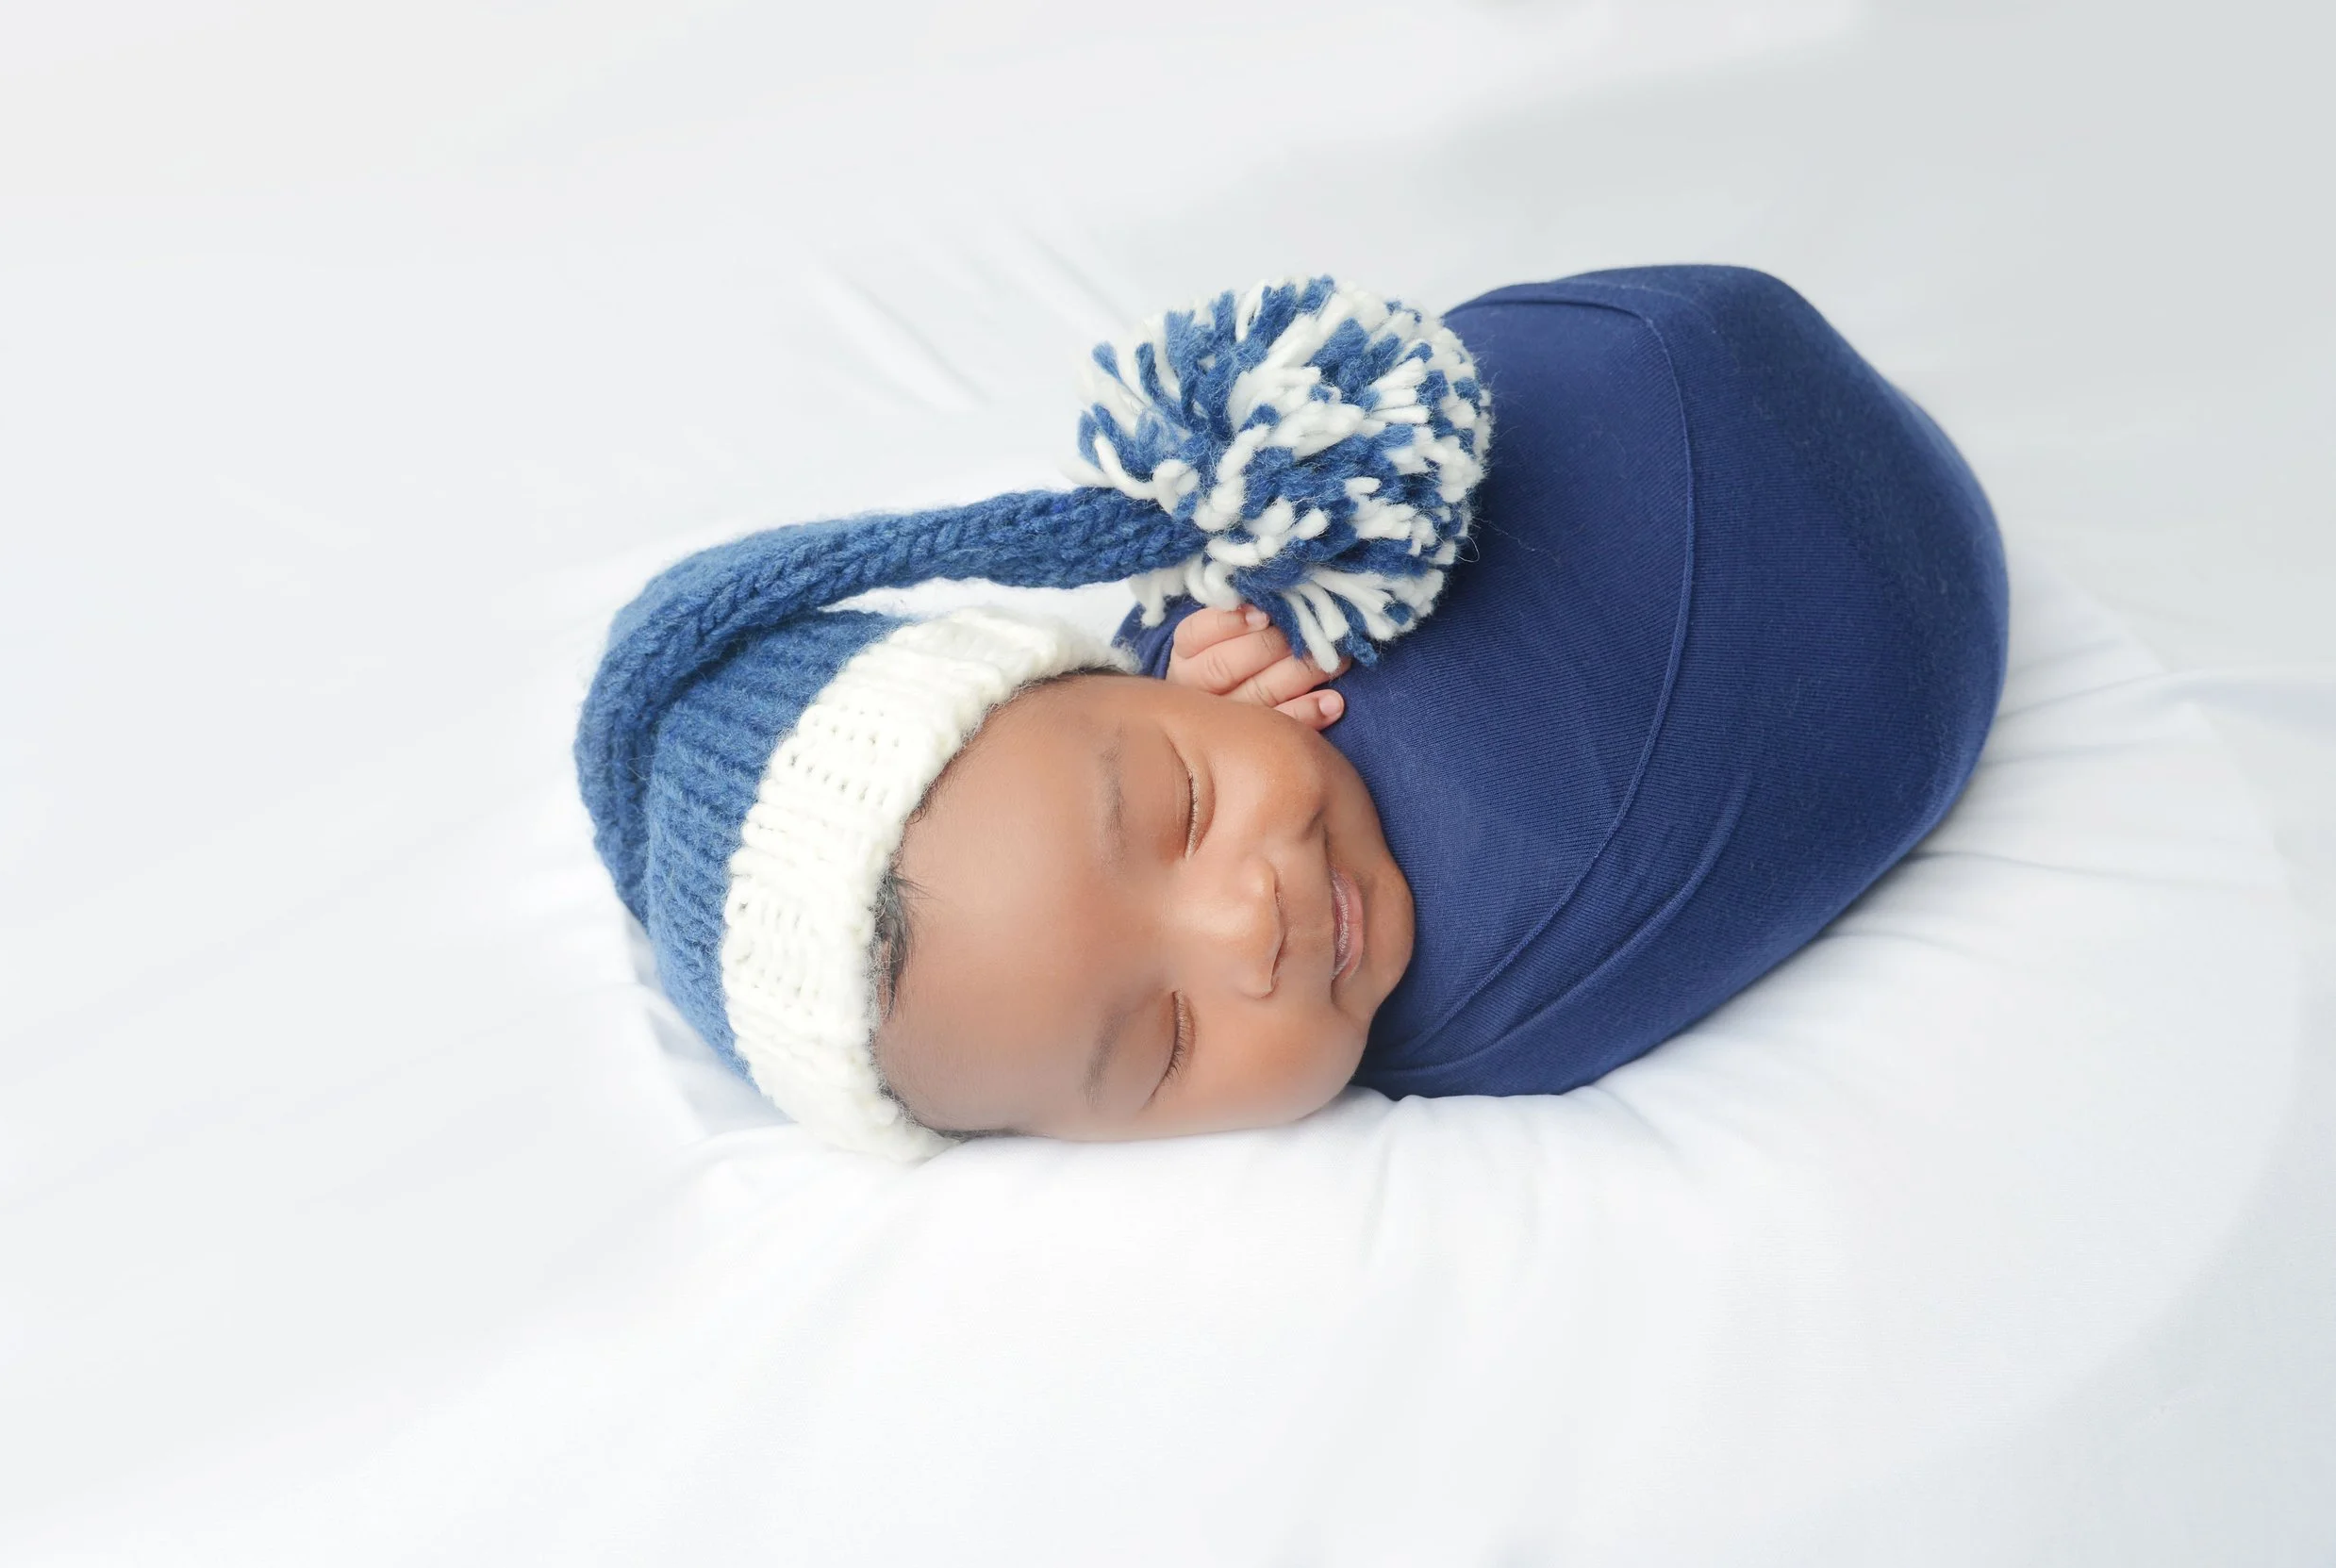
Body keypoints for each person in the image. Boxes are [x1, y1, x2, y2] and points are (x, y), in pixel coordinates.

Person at [576, 267, 2008, 1161]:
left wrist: (1215, 651)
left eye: (1184, 807)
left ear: (1129, 679)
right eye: (1160, 1049)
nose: (1248, 929)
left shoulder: (1231, 625)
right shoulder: (1493, 988)